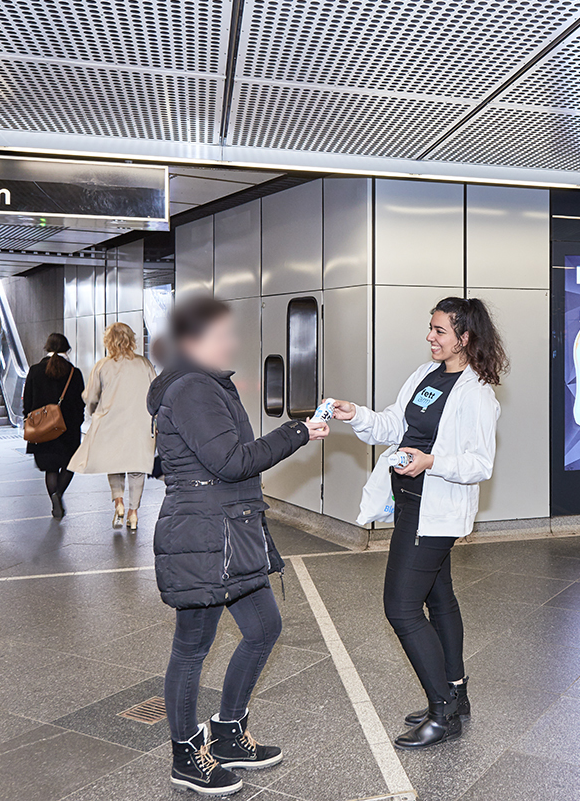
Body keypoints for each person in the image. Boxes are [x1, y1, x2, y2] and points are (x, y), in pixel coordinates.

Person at [147, 295, 328, 796]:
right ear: (191, 341)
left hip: (230, 530)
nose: (231, 342)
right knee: (192, 648)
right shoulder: (190, 389)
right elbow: (230, 461)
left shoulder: (207, 383)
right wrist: (297, 432)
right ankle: (186, 756)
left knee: (264, 628)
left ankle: (227, 733)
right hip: (203, 536)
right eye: (221, 334)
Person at [331, 296, 506, 750]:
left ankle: (442, 711)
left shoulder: (477, 394)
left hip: (436, 510)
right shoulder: (426, 375)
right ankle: (457, 695)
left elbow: (480, 464)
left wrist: (431, 461)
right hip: (409, 501)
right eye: (431, 328)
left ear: (464, 338)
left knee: (401, 607)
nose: (430, 336)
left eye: (440, 330)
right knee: (439, 598)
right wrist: (356, 414)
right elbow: (395, 424)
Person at [69, 322, 157, 531]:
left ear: (108, 341)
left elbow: (90, 397)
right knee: (137, 468)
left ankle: (118, 502)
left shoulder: (102, 366)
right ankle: (133, 513)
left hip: (110, 421)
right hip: (139, 423)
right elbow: (156, 393)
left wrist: (93, 412)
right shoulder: (144, 364)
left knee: (114, 464)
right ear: (131, 339)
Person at [22, 333, 86, 518]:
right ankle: (58, 493)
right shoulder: (74, 372)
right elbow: (80, 402)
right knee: (69, 464)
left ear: (47, 348)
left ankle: (54, 500)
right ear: (67, 349)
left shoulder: (35, 370)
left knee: (50, 468)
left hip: (42, 428)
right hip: (68, 428)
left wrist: (29, 419)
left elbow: (28, 400)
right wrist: (77, 421)